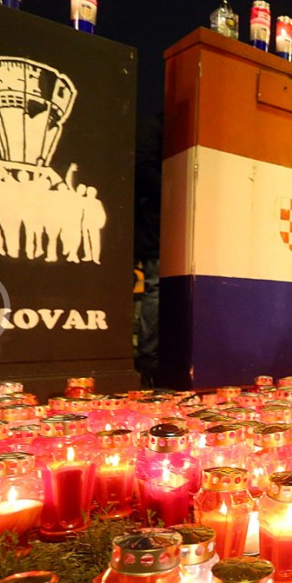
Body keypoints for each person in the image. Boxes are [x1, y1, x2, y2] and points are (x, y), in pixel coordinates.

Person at [133, 111, 163, 388]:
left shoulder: (157, 123)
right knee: (156, 288)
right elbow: (143, 169)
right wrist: (176, 189)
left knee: (157, 290)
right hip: (155, 223)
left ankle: (151, 358)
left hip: (165, 221)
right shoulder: (153, 123)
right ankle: (147, 361)